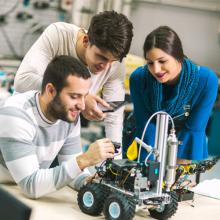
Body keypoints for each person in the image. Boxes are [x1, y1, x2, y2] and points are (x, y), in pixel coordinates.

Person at [0, 55, 115, 199]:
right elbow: (31, 185)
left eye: (84, 96)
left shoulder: (69, 115)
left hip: (19, 189)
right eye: (74, 96)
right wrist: (85, 160)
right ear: (50, 91)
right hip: (7, 190)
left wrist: (92, 182)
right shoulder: (17, 114)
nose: (82, 106)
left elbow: (71, 170)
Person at [14, 10, 134, 144]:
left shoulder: (116, 63)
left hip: (61, 137)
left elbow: (114, 118)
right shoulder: (58, 35)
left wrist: (116, 159)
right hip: (25, 126)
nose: (106, 67)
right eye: (101, 57)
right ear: (86, 40)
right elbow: (22, 81)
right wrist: (81, 97)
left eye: (112, 61)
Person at [129, 26, 218, 164]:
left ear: (178, 56)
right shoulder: (139, 79)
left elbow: (193, 129)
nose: (156, 69)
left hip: (184, 144)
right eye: (150, 63)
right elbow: (147, 128)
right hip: (144, 139)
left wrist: (176, 176)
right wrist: (149, 172)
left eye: (162, 61)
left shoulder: (205, 81)